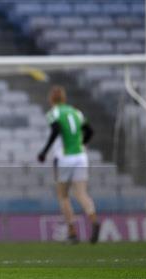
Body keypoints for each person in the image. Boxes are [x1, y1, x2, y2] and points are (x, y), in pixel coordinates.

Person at [38, 86, 100, 244]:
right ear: (64, 98)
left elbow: (56, 129)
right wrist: (82, 144)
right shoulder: (76, 112)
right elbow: (90, 131)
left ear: (51, 99)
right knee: (81, 193)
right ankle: (94, 220)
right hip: (80, 156)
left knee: (63, 196)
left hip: (64, 157)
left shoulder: (54, 113)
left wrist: (44, 152)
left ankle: (72, 232)